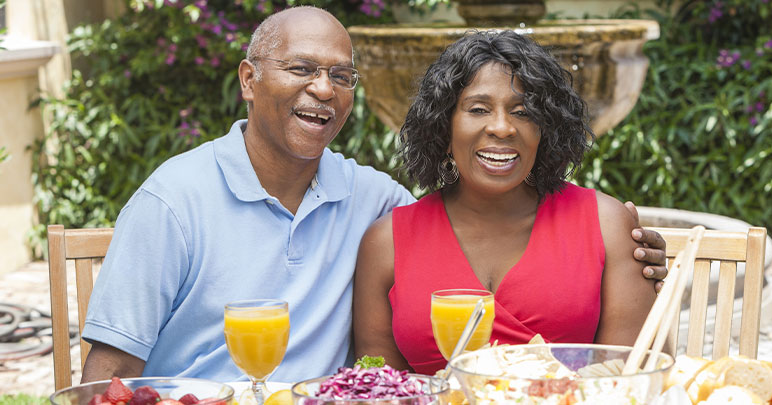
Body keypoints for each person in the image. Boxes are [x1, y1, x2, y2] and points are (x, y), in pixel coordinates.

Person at [81, 8, 666, 384]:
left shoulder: (370, 200)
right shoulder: (173, 201)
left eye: (340, 76)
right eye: (301, 68)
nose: (322, 88)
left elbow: (630, 379)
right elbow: (105, 378)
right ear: (248, 80)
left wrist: (634, 244)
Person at [353, 30, 657, 374]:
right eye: (478, 109)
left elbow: (633, 376)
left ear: (546, 129)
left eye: (523, 112)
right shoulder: (386, 243)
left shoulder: (606, 224)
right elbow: (378, 387)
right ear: (443, 127)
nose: (502, 127)